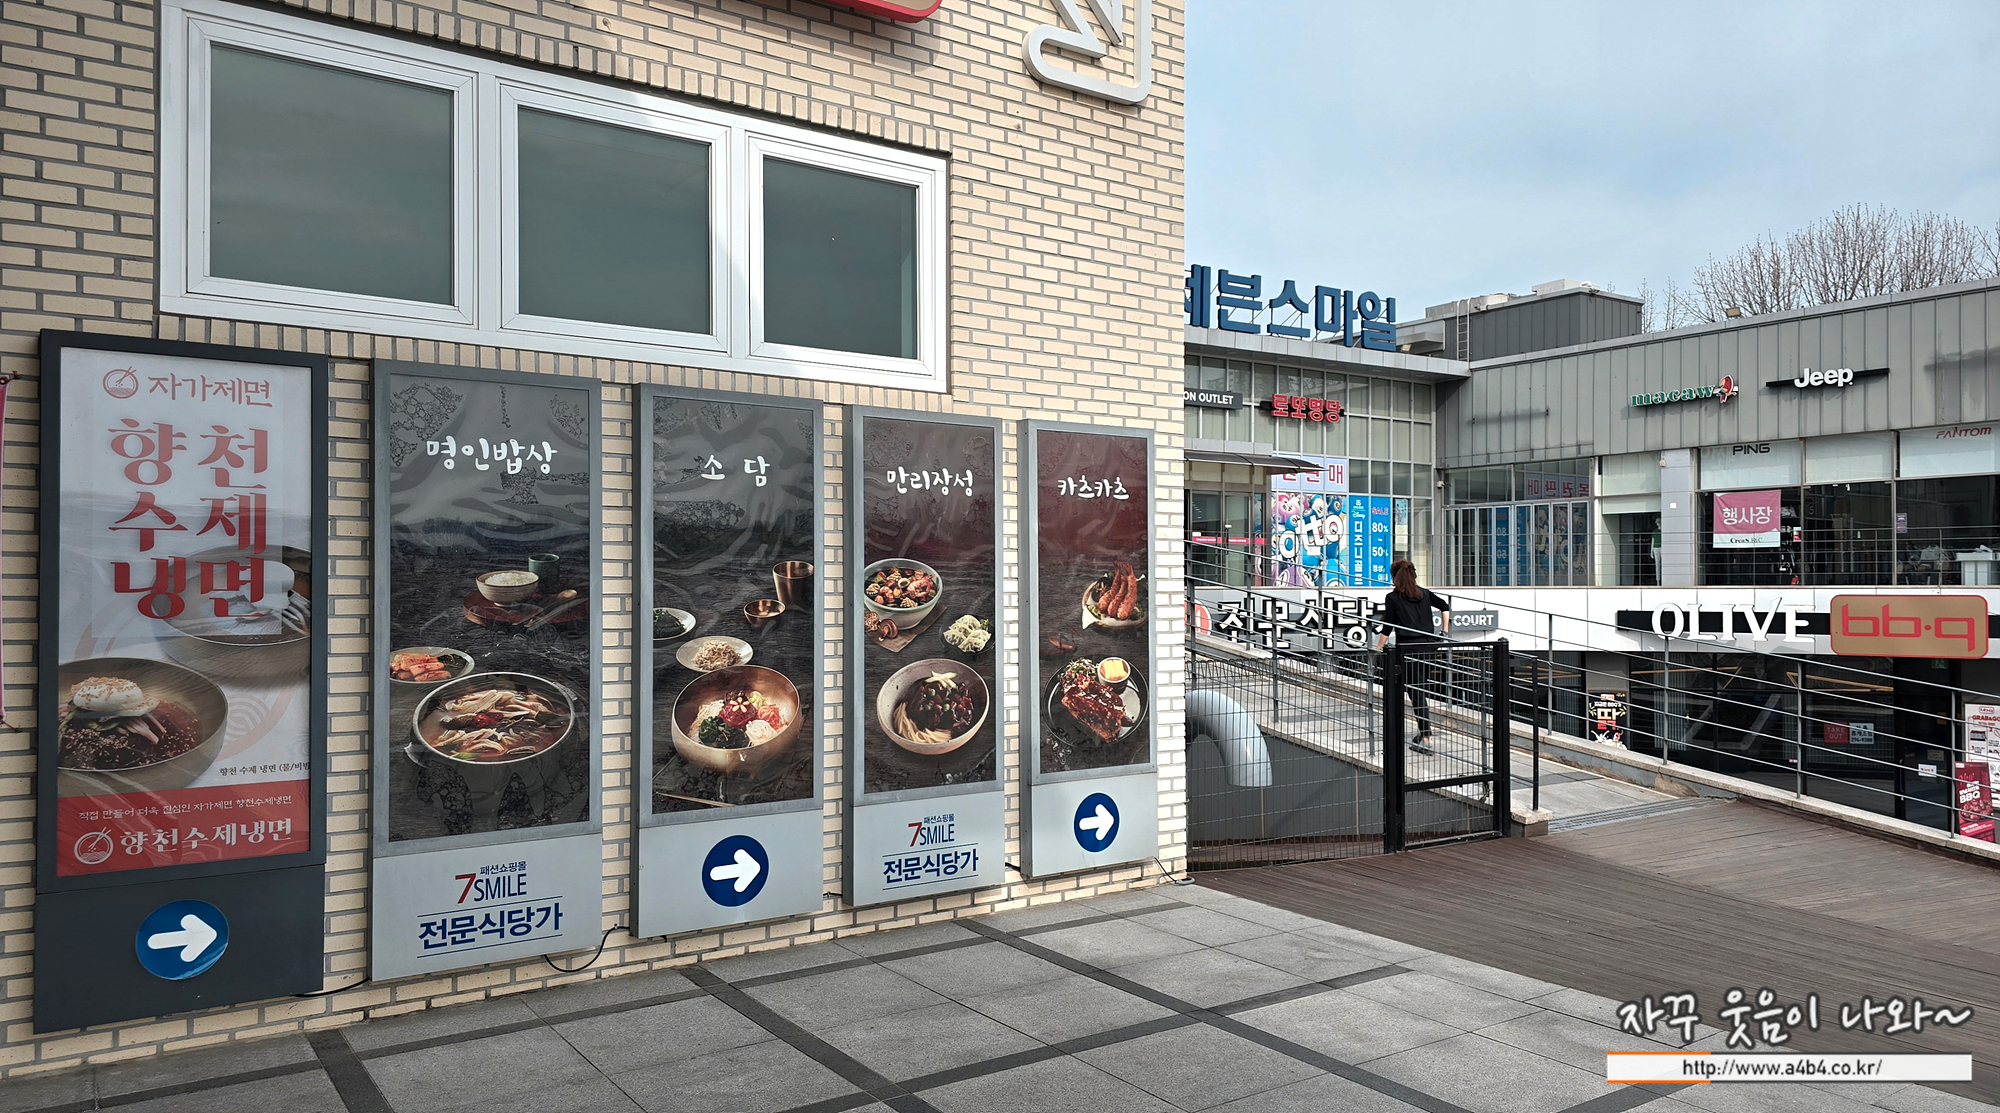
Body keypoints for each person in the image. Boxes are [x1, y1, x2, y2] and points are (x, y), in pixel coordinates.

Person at [1373, 559, 1451, 754]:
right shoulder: (1424, 593)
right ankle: (1423, 734)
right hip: (1429, 648)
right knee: (1419, 690)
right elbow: (1444, 606)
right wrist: (1444, 632)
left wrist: (1379, 647)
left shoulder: (1393, 598)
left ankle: (1426, 736)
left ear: (1394, 577)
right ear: (1413, 575)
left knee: (1415, 693)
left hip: (1408, 650)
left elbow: (1388, 626)